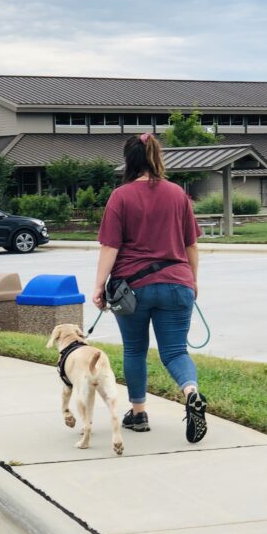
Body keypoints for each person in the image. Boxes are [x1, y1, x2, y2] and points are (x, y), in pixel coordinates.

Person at [93, 133, 208, 443]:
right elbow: (191, 245)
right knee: (174, 352)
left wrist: (99, 285)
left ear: (129, 160)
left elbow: (110, 247)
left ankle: (139, 413)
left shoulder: (121, 196)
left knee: (135, 350)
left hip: (133, 288)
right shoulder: (178, 195)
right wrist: (192, 281)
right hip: (177, 282)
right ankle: (191, 391)